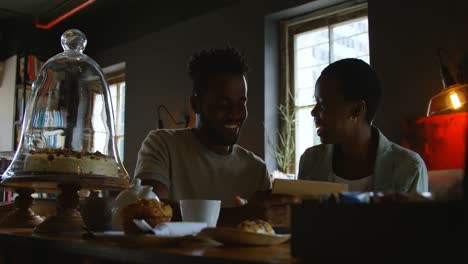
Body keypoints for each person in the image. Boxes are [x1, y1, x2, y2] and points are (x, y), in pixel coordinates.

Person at [134, 47, 296, 226]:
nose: (235, 114)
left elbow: (262, 230)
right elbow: (151, 211)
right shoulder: (162, 144)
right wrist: (241, 214)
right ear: (196, 104)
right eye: (223, 104)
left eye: (241, 103)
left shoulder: (256, 169)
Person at [298, 58, 428, 193]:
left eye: (323, 104)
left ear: (357, 110)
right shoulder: (310, 161)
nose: (313, 112)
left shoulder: (409, 168)